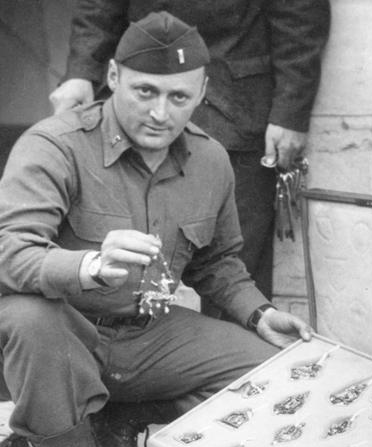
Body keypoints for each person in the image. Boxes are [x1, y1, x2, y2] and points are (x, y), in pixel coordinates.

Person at [0, 12, 313, 447]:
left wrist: (259, 312)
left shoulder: (211, 158)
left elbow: (218, 263)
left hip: (148, 337)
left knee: (272, 370)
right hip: (71, 337)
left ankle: (118, 420)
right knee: (26, 316)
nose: (160, 113)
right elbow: (9, 252)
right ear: (114, 76)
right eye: (145, 91)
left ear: (203, 92)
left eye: (178, 96)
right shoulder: (54, 145)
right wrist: (89, 265)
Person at [50, 0, 331, 307]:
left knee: (233, 270)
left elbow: (300, 16)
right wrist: (81, 70)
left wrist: (290, 112)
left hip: (235, 109)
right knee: (112, 261)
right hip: (133, 116)